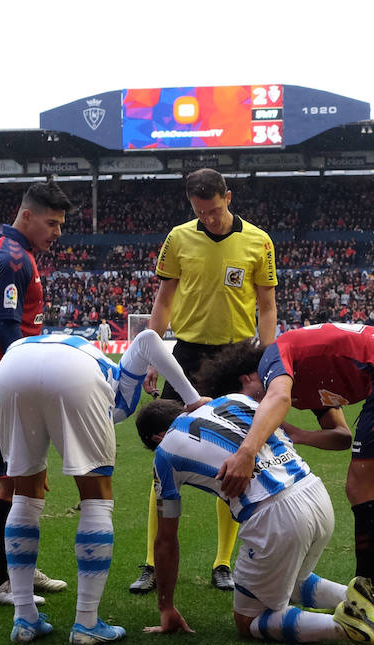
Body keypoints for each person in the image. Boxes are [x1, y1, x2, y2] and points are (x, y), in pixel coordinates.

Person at [135, 396, 374, 645]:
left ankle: (347, 627)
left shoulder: (165, 452)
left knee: (248, 619)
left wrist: (166, 606)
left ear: (157, 437)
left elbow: (166, 540)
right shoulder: (234, 399)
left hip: (274, 514)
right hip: (314, 491)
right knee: (293, 578)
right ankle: (362, 601)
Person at [0, 329, 202, 645]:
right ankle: (86, 622)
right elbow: (147, 339)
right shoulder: (117, 377)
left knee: (24, 496)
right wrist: (193, 399)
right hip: (74, 374)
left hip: (9, 372)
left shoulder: (83, 351)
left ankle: (24, 618)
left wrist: (26, 464)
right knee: (96, 496)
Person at [198, 322, 374, 594]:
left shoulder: (272, 359)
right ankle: (369, 596)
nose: (253, 409)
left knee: (360, 487)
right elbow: (341, 436)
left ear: (246, 379)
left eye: (248, 402)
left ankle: (369, 597)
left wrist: (247, 452)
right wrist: (299, 435)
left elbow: (278, 398)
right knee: (365, 489)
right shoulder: (301, 378)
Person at [129, 167, 279, 595]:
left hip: (235, 356)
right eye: (200, 212)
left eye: (214, 210)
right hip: (187, 354)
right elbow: (164, 299)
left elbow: (267, 307)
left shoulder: (259, 241)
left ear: (227, 198)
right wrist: (152, 354)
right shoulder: (178, 239)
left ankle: (223, 562)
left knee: (233, 460)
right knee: (164, 459)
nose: (209, 219)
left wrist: (266, 360)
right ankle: (152, 563)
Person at [0, 182, 73, 609]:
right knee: (10, 486)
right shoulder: (13, 258)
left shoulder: (11, 252)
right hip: (6, 387)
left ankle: (21, 569)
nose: (57, 233)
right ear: (27, 216)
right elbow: (11, 331)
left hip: (2, 382)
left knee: (27, 483)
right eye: (52, 223)